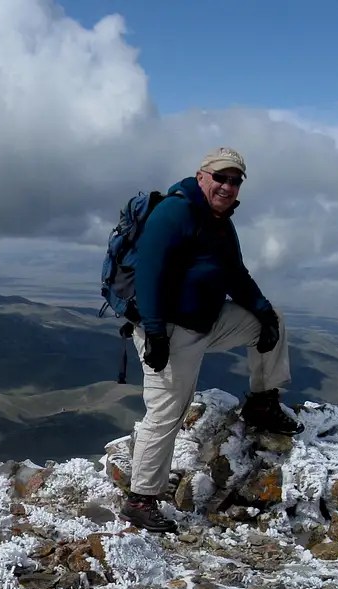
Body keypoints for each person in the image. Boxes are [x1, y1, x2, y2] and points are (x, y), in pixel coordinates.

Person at [119, 146, 303, 534]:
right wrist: (154, 331)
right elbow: (150, 272)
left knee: (272, 321)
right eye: (220, 177)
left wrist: (263, 310)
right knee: (168, 410)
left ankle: (262, 402)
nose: (227, 185)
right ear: (202, 176)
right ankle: (140, 499)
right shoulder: (175, 212)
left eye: (234, 180)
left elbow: (235, 274)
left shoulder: (221, 223)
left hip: (207, 320)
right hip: (169, 329)